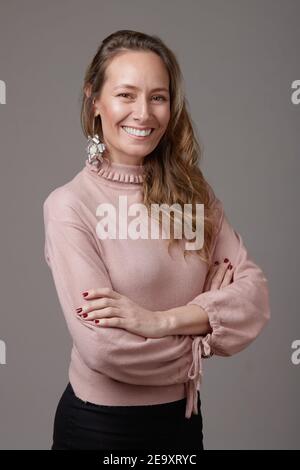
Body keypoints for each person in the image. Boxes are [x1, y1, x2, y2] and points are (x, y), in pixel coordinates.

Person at [43, 30, 270, 451]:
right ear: (95, 101)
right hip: (101, 430)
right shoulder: (70, 206)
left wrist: (159, 321)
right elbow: (105, 350)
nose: (143, 113)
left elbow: (254, 300)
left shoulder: (194, 195)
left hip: (184, 424)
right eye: (126, 95)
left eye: (158, 97)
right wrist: (204, 333)